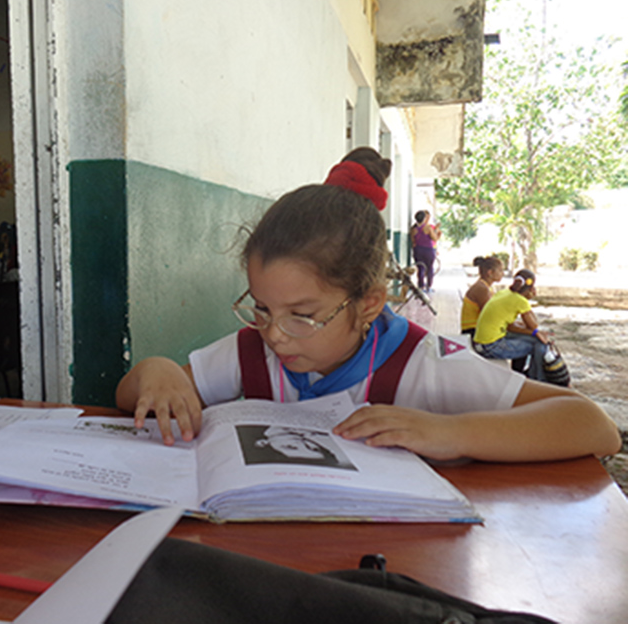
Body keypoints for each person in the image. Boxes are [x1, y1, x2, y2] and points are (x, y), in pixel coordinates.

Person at [115, 149, 620, 463]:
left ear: (369, 303)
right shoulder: (252, 352)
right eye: (261, 308)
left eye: (302, 315)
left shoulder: (422, 366)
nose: (274, 334)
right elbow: (131, 395)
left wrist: (451, 431)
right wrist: (157, 371)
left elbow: (592, 426)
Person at [473, 270, 551, 382]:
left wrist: (534, 333)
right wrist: (535, 332)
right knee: (537, 345)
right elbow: (534, 325)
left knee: (532, 339)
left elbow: (510, 327)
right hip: (490, 346)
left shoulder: (504, 293)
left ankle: (517, 374)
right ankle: (537, 378)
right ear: (531, 287)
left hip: (481, 342)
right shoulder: (520, 301)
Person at [460, 256, 504, 336]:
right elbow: (489, 314)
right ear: (490, 272)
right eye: (500, 270)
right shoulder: (482, 289)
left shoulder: (486, 286)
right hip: (473, 332)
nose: (503, 273)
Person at [411, 210, 441, 292]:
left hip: (417, 250)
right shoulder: (428, 228)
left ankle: (421, 286)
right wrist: (437, 233)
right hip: (428, 250)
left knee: (420, 268)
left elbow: (413, 241)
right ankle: (429, 286)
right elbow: (434, 238)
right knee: (429, 268)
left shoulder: (413, 229)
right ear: (424, 218)